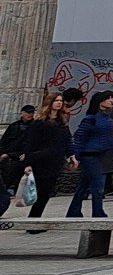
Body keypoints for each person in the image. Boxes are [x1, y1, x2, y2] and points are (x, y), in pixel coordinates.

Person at [66, 90, 113, 219]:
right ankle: (98, 213)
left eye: (112, 98)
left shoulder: (108, 119)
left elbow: (112, 138)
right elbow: (79, 137)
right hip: (90, 155)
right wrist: (74, 155)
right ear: (100, 101)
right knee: (98, 186)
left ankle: (74, 211)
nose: (112, 100)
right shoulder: (90, 118)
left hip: (103, 154)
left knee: (83, 185)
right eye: (109, 98)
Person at [16, 92, 76, 227]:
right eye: (56, 101)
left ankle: (34, 220)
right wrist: (27, 163)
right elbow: (30, 143)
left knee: (46, 192)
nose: (59, 103)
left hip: (55, 161)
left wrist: (71, 155)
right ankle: (33, 221)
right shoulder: (39, 123)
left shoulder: (62, 122)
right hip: (40, 160)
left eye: (60, 101)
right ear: (50, 103)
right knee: (42, 192)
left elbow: (67, 140)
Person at [0, 103, 34, 217]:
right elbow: (5, 141)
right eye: (27, 112)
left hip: (23, 155)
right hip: (10, 154)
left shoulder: (34, 126)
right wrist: (3, 153)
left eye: (31, 113)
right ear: (22, 113)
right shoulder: (14, 126)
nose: (29, 115)